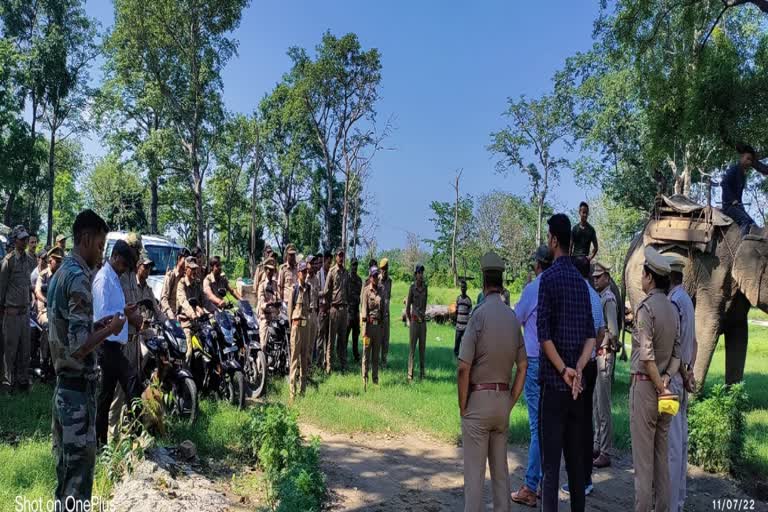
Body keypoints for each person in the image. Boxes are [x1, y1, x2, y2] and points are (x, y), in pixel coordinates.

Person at [48, 209, 125, 506]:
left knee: (65, 481)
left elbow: (69, 331)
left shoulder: (61, 274)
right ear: (86, 238)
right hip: (77, 399)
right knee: (77, 489)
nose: (100, 253)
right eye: (99, 246)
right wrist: (111, 330)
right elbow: (79, 347)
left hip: (64, 391)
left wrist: (101, 325)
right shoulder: (79, 278)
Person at [458, 251, 527, 512]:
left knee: (474, 479)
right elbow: (523, 365)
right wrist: (510, 400)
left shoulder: (478, 315)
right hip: (501, 403)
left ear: (484, 280)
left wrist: (463, 406)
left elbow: (464, 368)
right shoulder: (512, 318)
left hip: (478, 401)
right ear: (502, 281)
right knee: (501, 475)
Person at [537, 213, 596, 512]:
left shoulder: (547, 279)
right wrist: (579, 370)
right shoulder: (581, 283)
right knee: (575, 465)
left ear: (555, 240)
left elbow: (543, 336)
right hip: (577, 389)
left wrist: (563, 370)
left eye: (549, 237)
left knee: (550, 469)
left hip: (555, 385)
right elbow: (591, 337)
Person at [630, 246, 680, 512]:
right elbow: (677, 354)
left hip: (646, 389)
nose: (641, 277)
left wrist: (659, 386)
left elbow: (646, 357)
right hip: (665, 391)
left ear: (650, 278)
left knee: (643, 463)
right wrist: (668, 380)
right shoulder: (673, 309)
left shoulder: (646, 309)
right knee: (662, 459)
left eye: (642, 273)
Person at [510, 245, 552, 508]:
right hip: (557, 363)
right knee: (550, 425)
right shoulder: (558, 285)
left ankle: (530, 486)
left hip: (535, 360)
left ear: (537, 264)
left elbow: (516, 319)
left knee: (538, 427)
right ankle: (546, 482)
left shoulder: (533, 288)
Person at [564, 256, 606, 497]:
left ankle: (578, 480)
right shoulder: (596, 297)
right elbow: (600, 333)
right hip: (590, 365)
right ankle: (586, 477)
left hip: (576, 366)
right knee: (586, 420)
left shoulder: (577, 295)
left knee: (575, 423)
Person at [93, 240, 141, 446]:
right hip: (106, 345)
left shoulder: (114, 278)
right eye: (123, 265)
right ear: (115, 258)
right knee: (131, 381)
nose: (124, 271)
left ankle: (101, 442)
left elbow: (114, 311)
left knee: (105, 397)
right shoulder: (103, 279)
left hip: (114, 345)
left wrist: (125, 312)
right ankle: (138, 435)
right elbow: (102, 317)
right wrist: (125, 314)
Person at [665, 253, 698, 512]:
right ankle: (680, 500)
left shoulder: (673, 303)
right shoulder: (686, 300)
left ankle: (671, 504)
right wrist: (690, 372)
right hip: (683, 378)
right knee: (682, 442)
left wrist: (682, 375)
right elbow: (693, 344)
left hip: (673, 382)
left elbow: (673, 345)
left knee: (671, 445)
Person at [109, 233, 145, 440]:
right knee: (116, 391)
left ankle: (127, 432)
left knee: (130, 388)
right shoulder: (117, 275)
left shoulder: (132, 274)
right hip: (120, 340)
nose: (137, 256)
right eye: (134, 251)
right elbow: (117, 309)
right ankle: (110, 438)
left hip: (133, 340)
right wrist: (135, 318)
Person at [0, 225, 36, 392]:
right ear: (15, 240)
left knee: (25, 350)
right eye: (22, 239)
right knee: (10, 350)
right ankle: (8, 382)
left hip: (25, 312)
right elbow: (2, 288)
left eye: (26, 238)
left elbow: (29, 285)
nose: (25, 241)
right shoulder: (8, 261)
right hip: (12, 313)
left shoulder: (29, 261)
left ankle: (22, 381)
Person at [591, 262, 620, 469]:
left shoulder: (608, 299)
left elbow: (614, 330)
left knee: (603, 405)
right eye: (594, 277)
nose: (595, 279)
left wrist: (605, 345)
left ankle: (605, 450)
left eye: (599, 277)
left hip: (604, 355)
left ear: (607, 278)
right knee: (595, 403)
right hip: (598, 355)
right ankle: (596, 443)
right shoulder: (601, 297)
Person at [722, 144, 768, 236]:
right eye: (748, 158)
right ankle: (744, 245)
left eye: (751, 160)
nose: (749, 162)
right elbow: (724, 183)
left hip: (738, 206)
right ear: (742, 157)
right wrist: (732, 200)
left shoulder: (742, 175)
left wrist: (740, 204)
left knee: (752, 223)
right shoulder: (734, 169)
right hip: (729, 206)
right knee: (745, 221)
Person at [34, 247, 64, 378]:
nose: (57, 264)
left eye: (59, 262)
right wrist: (47, 300)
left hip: (58, 311)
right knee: (47, 325)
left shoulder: (62, 276)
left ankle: (57, 364)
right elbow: (37, 292)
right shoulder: (44, 275)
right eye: (55, 261)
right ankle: (44, 362)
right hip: (44, 311)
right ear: (49, 260)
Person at [177, 256, 211, 363]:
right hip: (185, 324)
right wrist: (193, 313)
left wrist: (213, 312)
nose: (194, 271)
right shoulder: (181, 284)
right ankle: (186, 376)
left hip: (198, 324)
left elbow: (205, 300)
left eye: (195, 269)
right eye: (191, 269)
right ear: (186, 269)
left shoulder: (197, 284)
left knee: (209, 346)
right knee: (188, 353)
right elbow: (184, 302)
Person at [287, 261, 312, 399]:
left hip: (305, 326)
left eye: (306, 271)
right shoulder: (294, 289)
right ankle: (292, 392)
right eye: (302, 271)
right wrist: (292, 328)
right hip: (296, 326)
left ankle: (303, 391)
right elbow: (290, 310)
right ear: (298, 274)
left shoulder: (308, 288)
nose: (305, 274)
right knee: (294, 359)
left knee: (304, 358)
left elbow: (308, 309)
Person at [323, 248, 350, 372]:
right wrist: (328, 306)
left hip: (344, 309)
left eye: (342, 256)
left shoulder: (346, 272)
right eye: (339, 255)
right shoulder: (332, 272)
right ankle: (329, 365)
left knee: (343, 339)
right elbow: (327, 291)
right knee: (331, 339)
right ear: (335, 257)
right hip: (334, 308)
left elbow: (348, 291)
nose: (341, 258)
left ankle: (343, 364)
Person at [360, 266, 384, 389]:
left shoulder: (381, 290)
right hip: (368, 327)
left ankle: (375, 380)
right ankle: (364, 378)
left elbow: (383, 310)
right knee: (366, 354)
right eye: (373, 276)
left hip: (378, 327)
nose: (375, 278)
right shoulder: (366, 291)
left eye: (377, 276)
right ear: (370, 277)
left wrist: (382, 328)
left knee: (376, 356)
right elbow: (364, 310)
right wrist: (364, 331)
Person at [406, 264, 428, 381]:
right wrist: (410, 321)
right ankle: (410, 374)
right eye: (419, 273)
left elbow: (424, 306)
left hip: (422, 323)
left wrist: (422, 318)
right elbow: (408, 307)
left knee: (422, 349)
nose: (421, 275)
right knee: (412, 349)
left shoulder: (425, 288)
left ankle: (422, 373)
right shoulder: (412, 288)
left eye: (422, 273)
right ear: (416, 275)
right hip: (414, 323)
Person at [160, 247, 190, 321]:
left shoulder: (186, 278)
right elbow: (163, 299)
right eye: (185, 259)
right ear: (179, 258)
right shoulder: (171, 276)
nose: (187, 263)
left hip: (183, 315)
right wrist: (171, 314)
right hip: (171, 316)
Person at [257, 258, 279, 350]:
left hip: (274, 316)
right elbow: (261, 300)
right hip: (265, 316)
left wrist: (279, 302)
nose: (270, 272)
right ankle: (262, 361)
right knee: (264, 344)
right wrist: (266, 304)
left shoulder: (275, 284)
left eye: (272, 270)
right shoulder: (262, 285)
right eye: (268, 269)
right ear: (265, 270)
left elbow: (278, 296)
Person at [346, 258, 363, 362]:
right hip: (348, 311)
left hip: (356, 312)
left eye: (356, 265)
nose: (354, 267)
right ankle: (343, 356)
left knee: (356, 336)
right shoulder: (346, 278)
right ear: (350, 265)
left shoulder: (359, 280)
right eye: (353, 265)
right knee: (345, 337)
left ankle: (356, 356)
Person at [307, 255, 322, 365]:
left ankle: (309, 367)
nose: (312, 266)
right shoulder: (303, 278)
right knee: (305, 343)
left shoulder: (316, 280)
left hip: (314, 313)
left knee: (312, 343)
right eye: (311, 263)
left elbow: (317, 296)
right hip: (305, 313)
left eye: (314, 263)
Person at [379, 258, 393, 368]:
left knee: (385, 340)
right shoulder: (376, 280)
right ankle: (375, 360)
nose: (384, 271)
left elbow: (388, 297)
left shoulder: (390, 281)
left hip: (386, 315)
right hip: (377, 315)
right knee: (377, 339)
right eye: (382, 269)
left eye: (386, 269)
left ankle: (384, 361)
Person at [453, 279, 472, 358]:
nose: (463, 289)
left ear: (466, 288)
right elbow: (456, 311)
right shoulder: (458, 299)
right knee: (457, 344)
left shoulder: (468, 300)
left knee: (464, 345)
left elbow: (470, 314)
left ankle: (463, 359)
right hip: (458, 326)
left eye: (464, 287)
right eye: (462, 287)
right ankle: (455, 358)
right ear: (460, 288)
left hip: (465, 327)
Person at [253, 245, 274, 310]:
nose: (269, 254)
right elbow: (256, 284)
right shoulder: (260, 267)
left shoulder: (274, 267)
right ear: (264, 253)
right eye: (267, 252)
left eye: (270, 252)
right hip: (262, 296)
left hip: (272, 299)